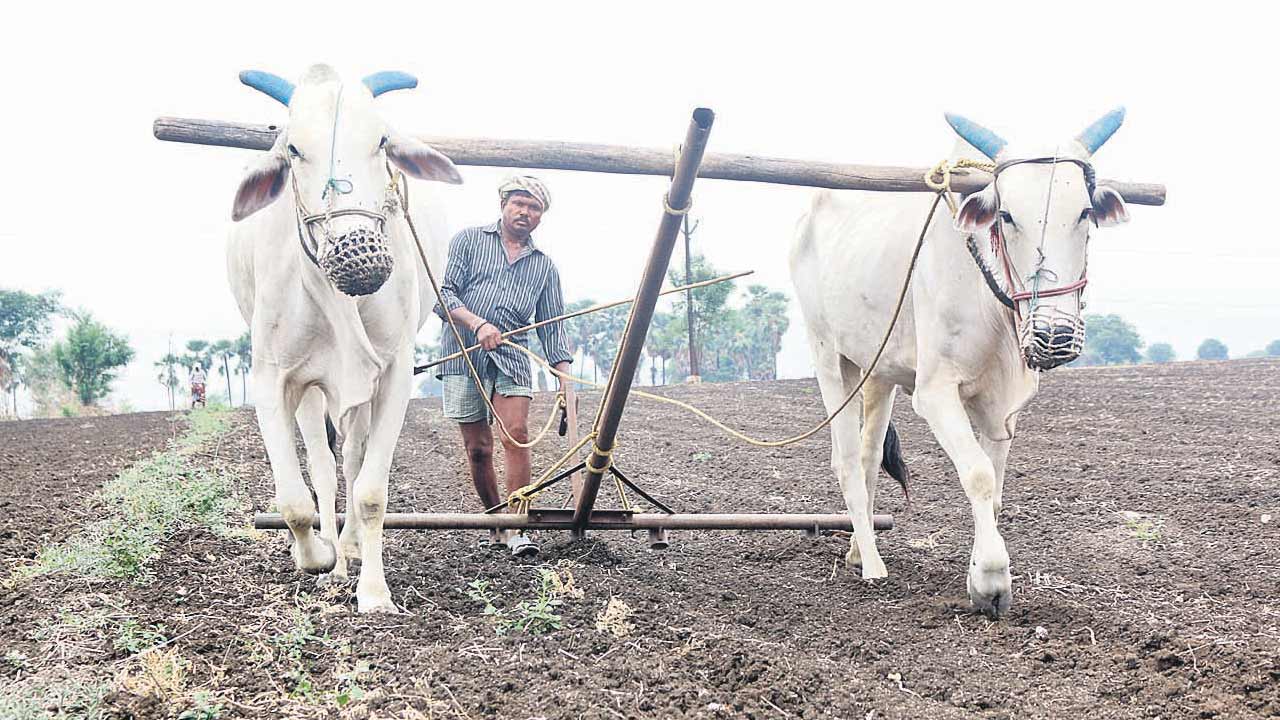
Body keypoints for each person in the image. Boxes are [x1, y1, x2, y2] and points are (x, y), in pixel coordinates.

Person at [435, 176, 574, 558]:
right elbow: (443, 296)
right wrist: (477, 324)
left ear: (541, 218)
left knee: (516, 432)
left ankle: (517, 528)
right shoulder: (468, 240)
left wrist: (565, 380)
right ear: (503, 205)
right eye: (519, 204)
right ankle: (495, 519)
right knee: (478, 447)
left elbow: (552, 327)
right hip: (463, 353)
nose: (525, 212)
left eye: (534, 208)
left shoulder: (544, 267)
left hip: (512, 356)